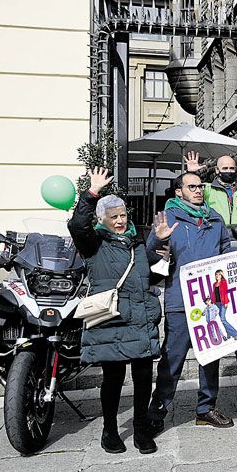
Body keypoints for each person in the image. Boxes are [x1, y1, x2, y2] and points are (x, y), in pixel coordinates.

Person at [68, 168, 162, 455]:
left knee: (144, 375)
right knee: (113, 378)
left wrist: (159, 249)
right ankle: (110, 430)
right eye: (114, 217)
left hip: (141, 318)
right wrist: (91, 193)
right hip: (112, 318)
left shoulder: (137, 241)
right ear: (103, 220)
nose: (120, 221)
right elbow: (77, 227)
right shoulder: (93, 242)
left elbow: (149, 276)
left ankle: (141, 429)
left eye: (123, 216)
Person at [146, 171, 237, 431]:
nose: (198, 190)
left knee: (211, 356)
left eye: (200, 186)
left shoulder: (214, 218)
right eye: (191, 187)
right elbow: (150, 257)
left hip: (211, 301)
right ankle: (157, 411)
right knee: (173, 358)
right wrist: (159, 238)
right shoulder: (168, 218)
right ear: (179, 191)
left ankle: (206, 409)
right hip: (180, 300)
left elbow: (224, 250)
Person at [184, 152, 237, 225]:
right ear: (217, 170)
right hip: (214, 234)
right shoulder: (207, 189)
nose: (228, 171)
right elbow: (189, 194)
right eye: (225, 168)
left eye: (232, 168)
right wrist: (191, 173)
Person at [207, 269, 237, 341]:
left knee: (223, 319)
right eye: (216, 274)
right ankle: (228, 333)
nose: (217, 276)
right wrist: (211, 303)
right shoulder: (214, 284)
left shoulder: (224, 282)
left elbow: (225, 293)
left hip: (223, 302)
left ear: (221, 275)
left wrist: (225, 302)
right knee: (222, 319)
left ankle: (235, 334)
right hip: (217, 303)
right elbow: (214, 294)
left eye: (219, 274)